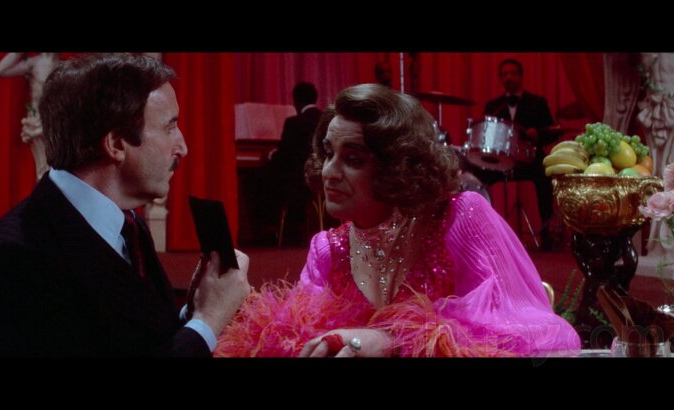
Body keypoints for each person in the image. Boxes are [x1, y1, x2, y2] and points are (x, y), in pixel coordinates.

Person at [215, 83, 580, 357]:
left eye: (353, 159)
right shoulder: (327, 249)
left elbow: (542, 335)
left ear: (398, 166)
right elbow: (296, 341)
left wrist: (395, 339)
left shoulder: (458, 218)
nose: (329, 172)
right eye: (328, 153)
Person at [0, 53, 250, 357]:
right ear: (115, 144)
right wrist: (208, 322)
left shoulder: (127, 222)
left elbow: (135, 339)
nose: (182, 147)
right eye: (169, 128)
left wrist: (195, 312)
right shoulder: (17, 258)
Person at [482, 58, 556, 251]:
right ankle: (485, 234)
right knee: (479, 175)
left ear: (521, 76)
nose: (509, 77)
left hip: (529, 160)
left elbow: (551, 132)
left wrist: (537, 134)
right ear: (500, 78)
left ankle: (547, 235)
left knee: (545, 174)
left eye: (513, 73)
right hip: (501, 160)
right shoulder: (493, 106)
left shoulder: (538, 103)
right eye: (504, 74)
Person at [269, 82, 323, 245]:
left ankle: (276, 230)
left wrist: (271, 155)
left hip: (299, 182)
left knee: (266, 178)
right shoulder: (326, 119)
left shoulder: (294, 123)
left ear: (296, 101)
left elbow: (284, 155)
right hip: (323, 179)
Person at [0, 53, 61, 179]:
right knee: (43, 168)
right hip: (36, 123)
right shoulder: (34, 63)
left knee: (54, 168)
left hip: (55, 123)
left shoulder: (63, 66)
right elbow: (2, 70)